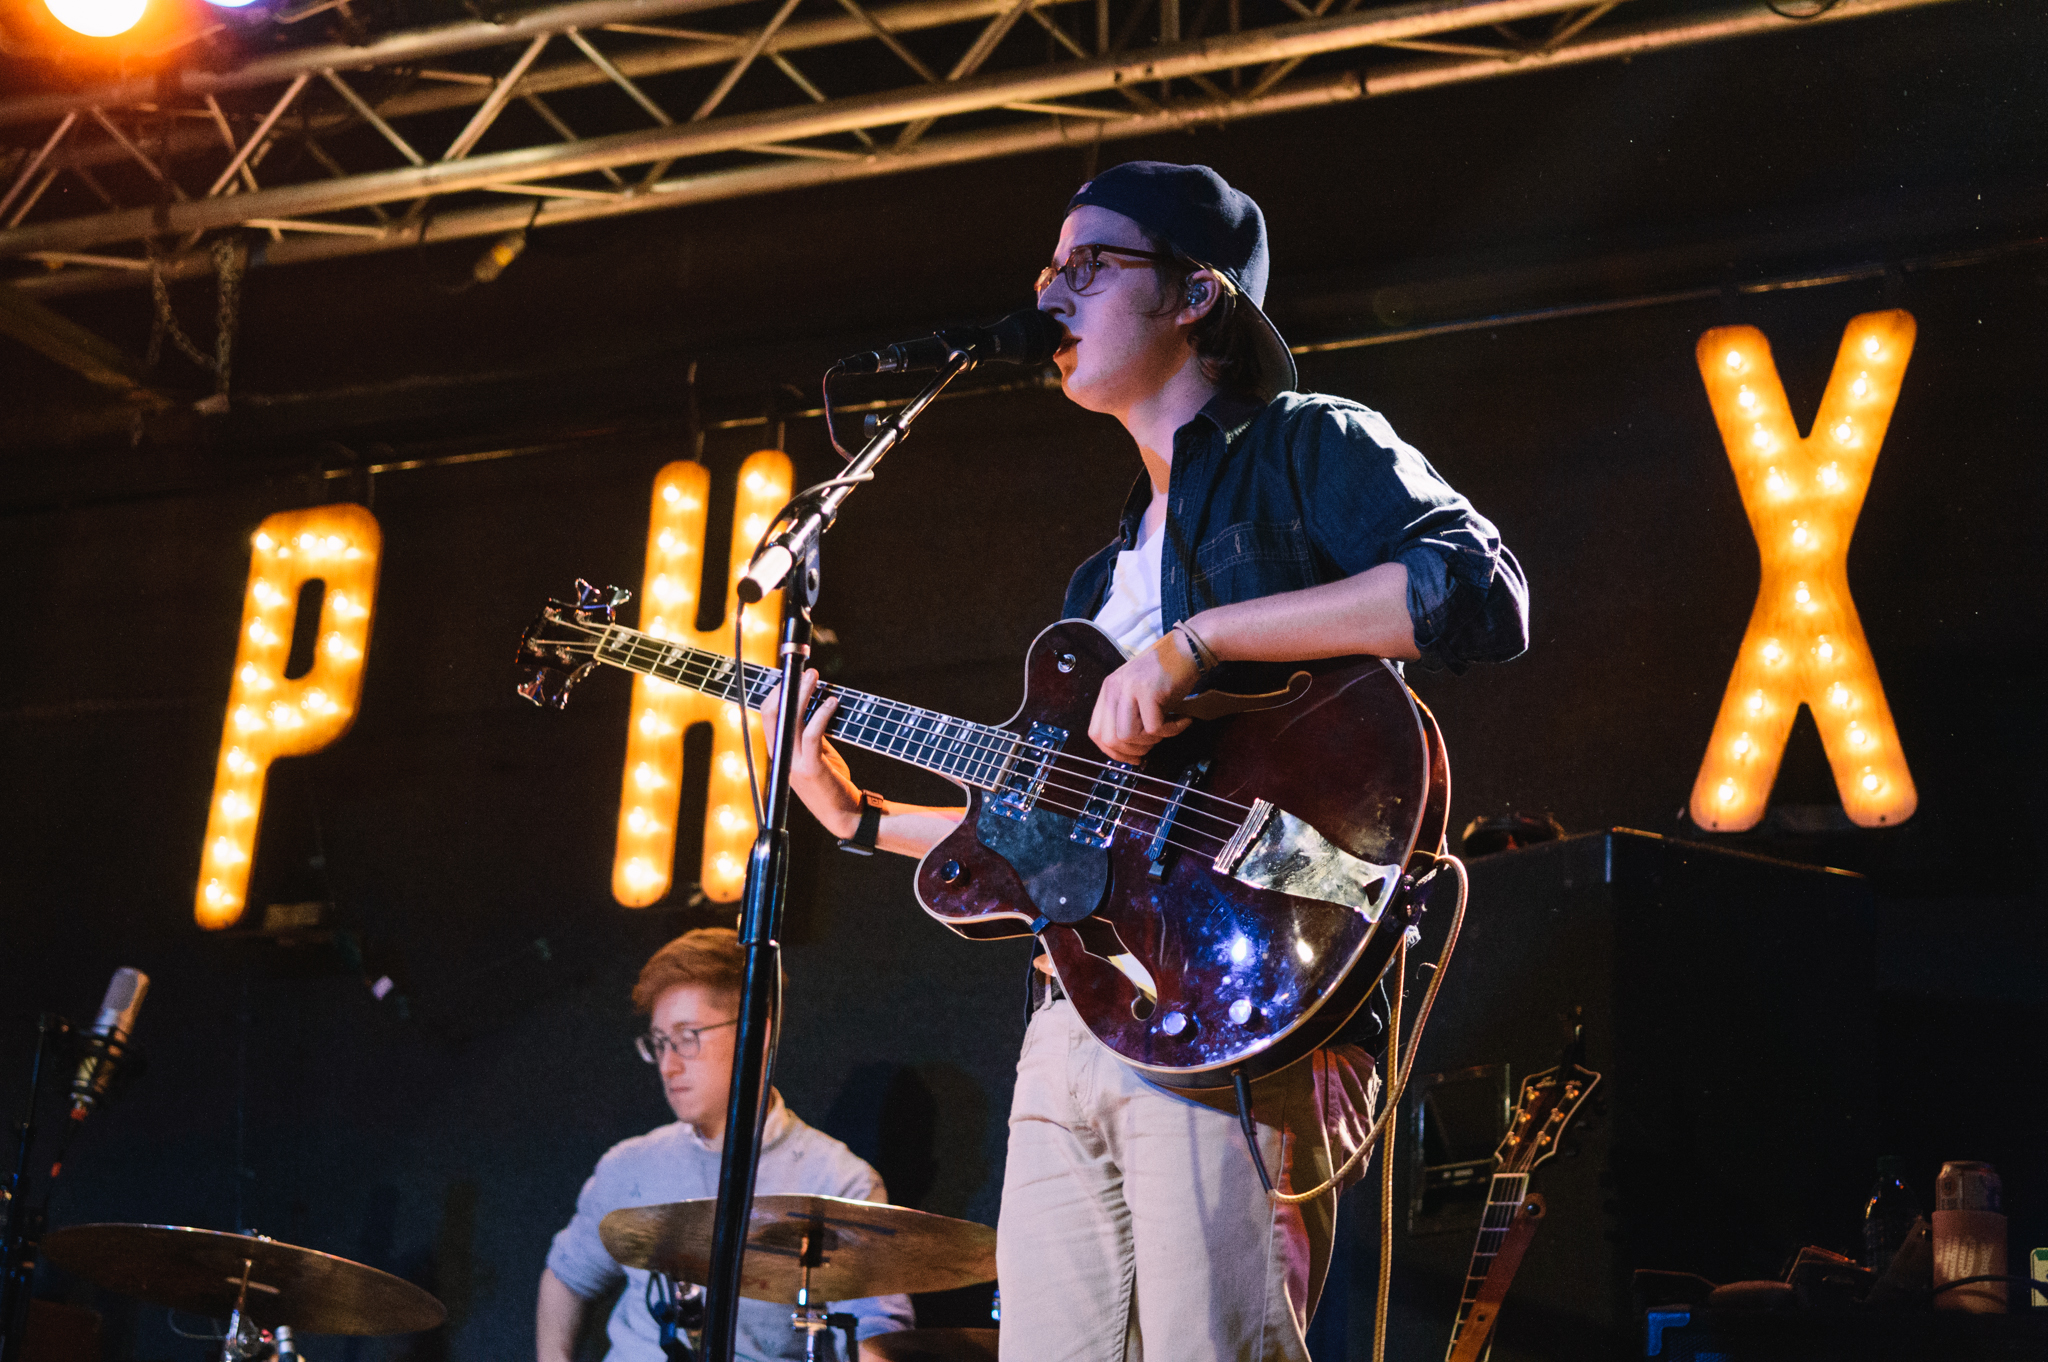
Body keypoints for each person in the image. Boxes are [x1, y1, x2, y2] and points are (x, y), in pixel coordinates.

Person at [765, 162, 1529, 1360]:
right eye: (1045, 268)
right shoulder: (1101, 574)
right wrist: (853, 814)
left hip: (1242, 1003)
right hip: (1080, 1019)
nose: (1050, 292)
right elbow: (1060, 828)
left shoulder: (1303, 443)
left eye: (1088, 264)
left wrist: (1200, 643)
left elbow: (1473, 591)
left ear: (1194, 294)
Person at [538, 928, 912, 1362]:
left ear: (757, 1035)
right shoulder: (630, 1164)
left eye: (687, 1036)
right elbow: (566, 1277)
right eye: (659, 1042)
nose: (668, 1064)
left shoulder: (837, 1180)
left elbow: (877, 1332)